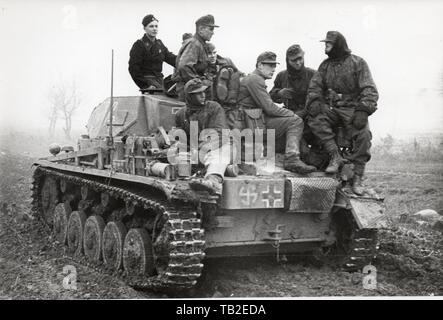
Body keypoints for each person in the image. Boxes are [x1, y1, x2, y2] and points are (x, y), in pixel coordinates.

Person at [305, 31, 379, 195]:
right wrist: (315, 100)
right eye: (325, 44)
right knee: (315, 118)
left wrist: (364, 110)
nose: (326, 47)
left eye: (329, 43)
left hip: (353, 108)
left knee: (364, 135)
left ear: (339, 44)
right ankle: (334, 155)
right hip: (332, 108)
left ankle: (357, 176)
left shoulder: (357, 63)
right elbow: (315, 86)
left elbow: (369, 89)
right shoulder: (325, 65)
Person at [236, 51, 316, 174]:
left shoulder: (254, 79)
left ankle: (296, 156)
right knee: (295, 121)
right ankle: (292, 159)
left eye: (274, 66)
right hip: (251, 125)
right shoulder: (255, 79)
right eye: (270, 65)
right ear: (260, 65)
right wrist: (292, 114)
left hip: (253, 122)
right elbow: (270, 108)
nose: (273, 69)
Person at [175, 78, 232, 195]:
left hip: (217, 147)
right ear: (190, 96)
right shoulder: (181, 114)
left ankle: (213, 180)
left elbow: (220, 133)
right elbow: (181, 138)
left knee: (221, 152)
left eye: (203, 92)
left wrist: (202, 148)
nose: (203, 95)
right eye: (198, 93)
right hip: (195, 154)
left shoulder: (214, 108)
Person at [174, 14, 219, 101]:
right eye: (211, 29)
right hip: (189, 91)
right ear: (201, 29)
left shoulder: (200, 44)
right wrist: (198, 84)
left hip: (193, 90)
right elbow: (184, 66)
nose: (213, 32)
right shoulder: (194, 44)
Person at [128, 14, 176, 91]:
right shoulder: (139, 45)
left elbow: (170, 58)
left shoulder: (159, 44)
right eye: (151, 26)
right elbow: (133, 69)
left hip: (160, 82)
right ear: (144, 28)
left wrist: (184, 60)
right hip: (148, 83)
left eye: (156, 26)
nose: (154, 29)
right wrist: (145, 85)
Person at [270, 45, 315, 119]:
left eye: (300, 59)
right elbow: (271, 96)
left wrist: (304, 112)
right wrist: (279, 93)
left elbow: (320, 98)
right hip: (289, 115)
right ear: (288, 61)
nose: (298, 63)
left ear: (303, 56)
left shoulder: (313, 74)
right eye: (293, 60)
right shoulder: (281, 76)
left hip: (310, 116)